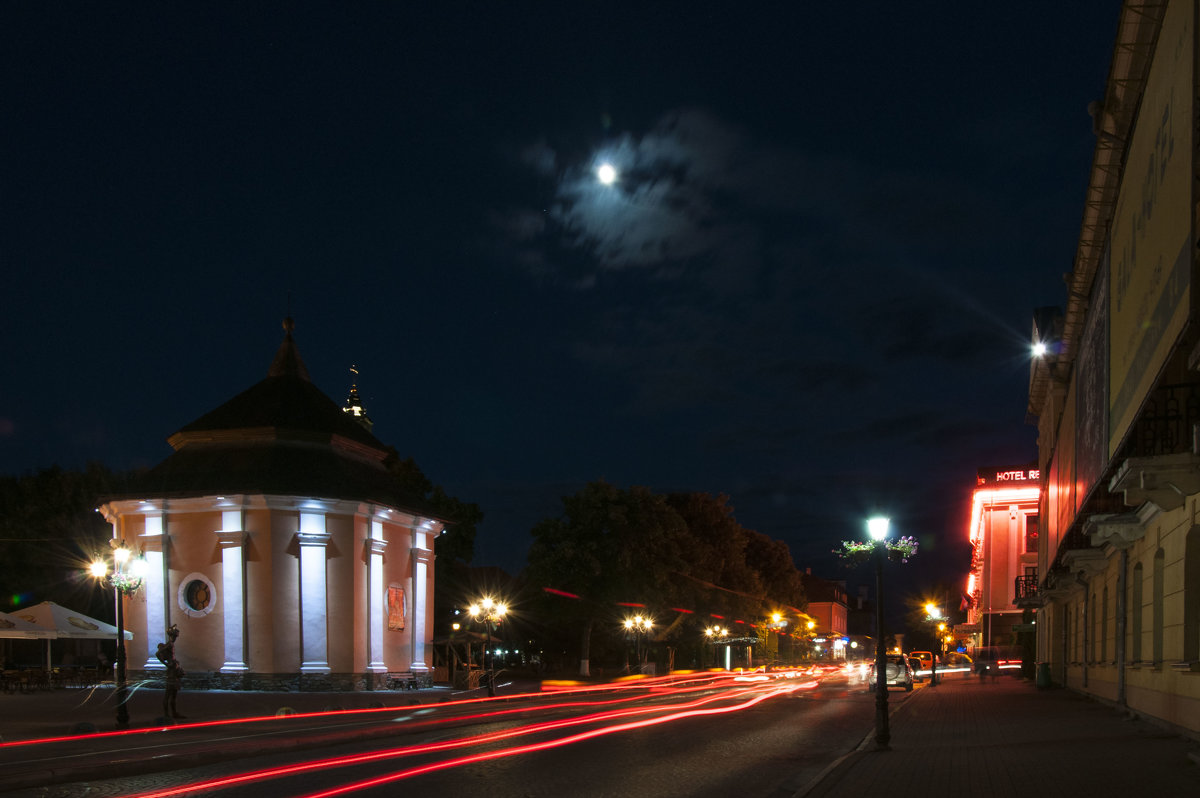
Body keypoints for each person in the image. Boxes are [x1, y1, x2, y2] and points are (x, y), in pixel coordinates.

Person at [155, 625, 186, 719]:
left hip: (174, 670)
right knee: (168, 693)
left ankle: (174, 712)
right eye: (175, 636)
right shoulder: (169, 644)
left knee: (174, 693)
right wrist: (166, 664)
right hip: (171, 671)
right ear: (172, 635)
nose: (176, 638)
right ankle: (167, 714)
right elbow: (157, 653)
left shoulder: (171, 644)